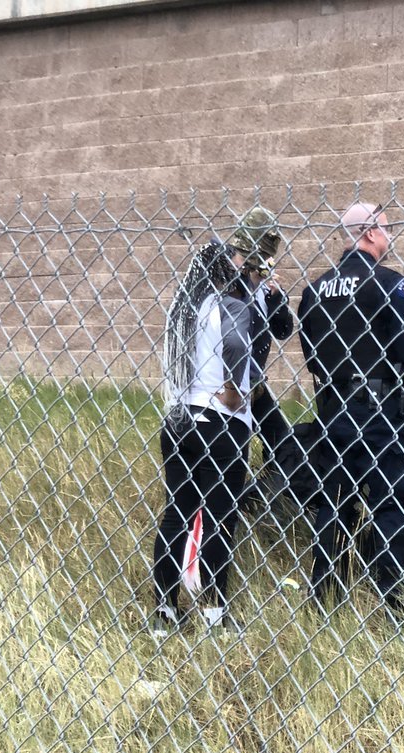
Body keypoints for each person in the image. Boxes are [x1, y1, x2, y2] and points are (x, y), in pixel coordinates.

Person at [298, 202, 404, 622]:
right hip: (382, 412)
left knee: (334, 503)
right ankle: (394, 605)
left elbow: (312, 357)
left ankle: (325, 597)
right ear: (367, 234)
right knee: (392, 502)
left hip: (333, 410)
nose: (389, 236)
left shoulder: (314, 291)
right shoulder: (388, 285)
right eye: (385, 229)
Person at [151, 239, 255, 636]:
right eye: (237, 264)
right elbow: (232, 342)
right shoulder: (230, 305)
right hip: (219, 421)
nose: (242, 270)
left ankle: (165, 612)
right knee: (218, 518)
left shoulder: (182, 312)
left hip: (178, 420)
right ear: (223, 270)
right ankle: (215, 614)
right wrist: (232, 388)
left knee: (176, 514)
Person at [229, 207, 295, 472]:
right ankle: (238, 499)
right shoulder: (231, 283)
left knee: (281, 439)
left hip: (254, 381)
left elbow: (283, 330)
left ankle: (269, 491)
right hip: (231, 378)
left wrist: (276, 296)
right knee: (235, 446)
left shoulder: (266, 289)